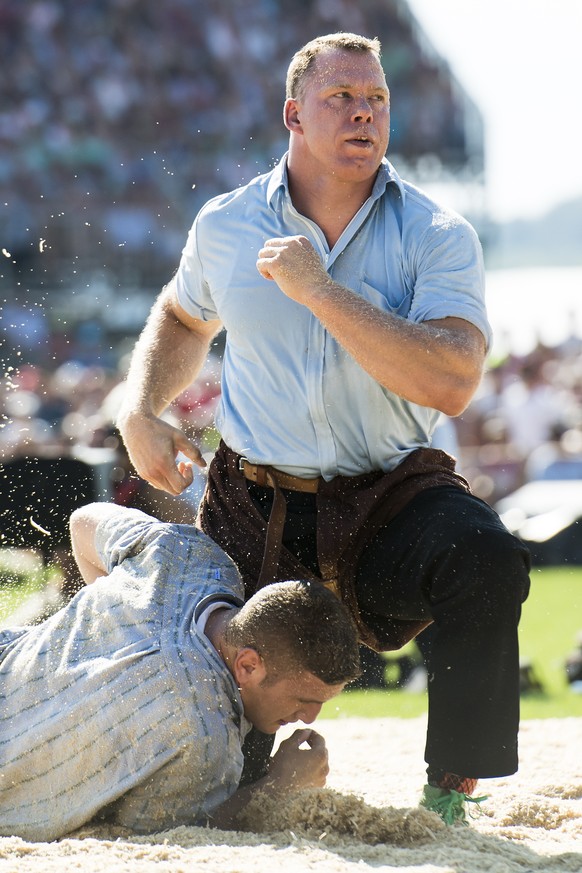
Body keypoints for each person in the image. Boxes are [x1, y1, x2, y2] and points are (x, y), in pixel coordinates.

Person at [117, 32, 531, 824]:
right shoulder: (226, 223)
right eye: (341, 97)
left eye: (376, 99)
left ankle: (450, 788)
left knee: (485, 554)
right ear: (293, 114)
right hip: (256, 499)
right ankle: (221, 773)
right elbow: (179, 314)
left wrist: (320, 290)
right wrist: (141, 408)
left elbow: (450, 378)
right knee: (213, 752)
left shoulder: (439, 233)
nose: (363, 113)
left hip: (389, 498)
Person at [0, 502, 360, 841]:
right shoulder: (202, 735)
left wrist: (110, 638)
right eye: (303, 699)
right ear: (247, 665)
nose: (309, 717)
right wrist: (279, 786)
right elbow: (174, 834)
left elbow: (82, 522)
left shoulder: (184, 553)